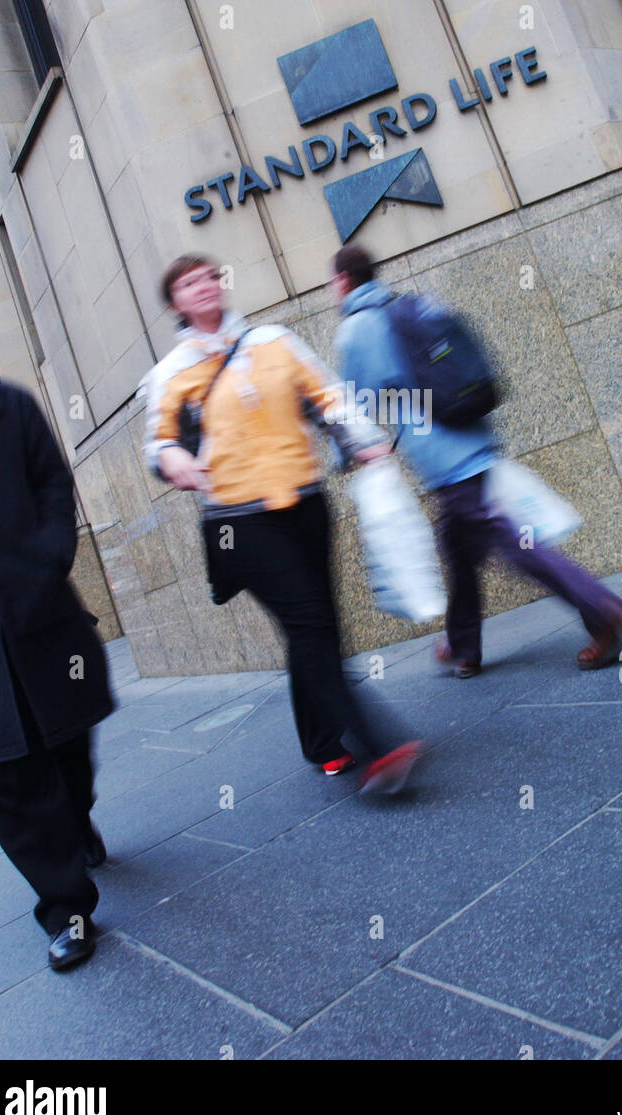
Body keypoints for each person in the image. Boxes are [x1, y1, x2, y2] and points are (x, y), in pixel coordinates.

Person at [140, 254, 421, 794]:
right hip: (238, 523)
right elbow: (160, 441)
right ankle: (380, 749)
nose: (202, 287)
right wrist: (172, 459)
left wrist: (362, 441)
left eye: (208, 277)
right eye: (186, 283)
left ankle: (321, 744)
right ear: (175, 302)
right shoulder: (173, 372)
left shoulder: (273, 340)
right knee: (311, 625)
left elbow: (327, 397)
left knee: (315, 628)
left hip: (305, 504)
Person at [331, 244, 622, 677]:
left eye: (333, 283)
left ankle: (600, 610)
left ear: (342, 281)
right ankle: (463, 645)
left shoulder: (357, 329)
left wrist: (343, 453)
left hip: (444, 456)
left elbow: (349, 403)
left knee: (515, 543)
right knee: (458, 547)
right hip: (469, 433)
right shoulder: (410, 305)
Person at [0, 335, 112, 971]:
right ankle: (65, 909)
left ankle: (77, 825)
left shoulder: (6, 406)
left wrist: (50, 555)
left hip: (40, 613)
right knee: (11, 777)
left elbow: (52, 479)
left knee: (70, 744)